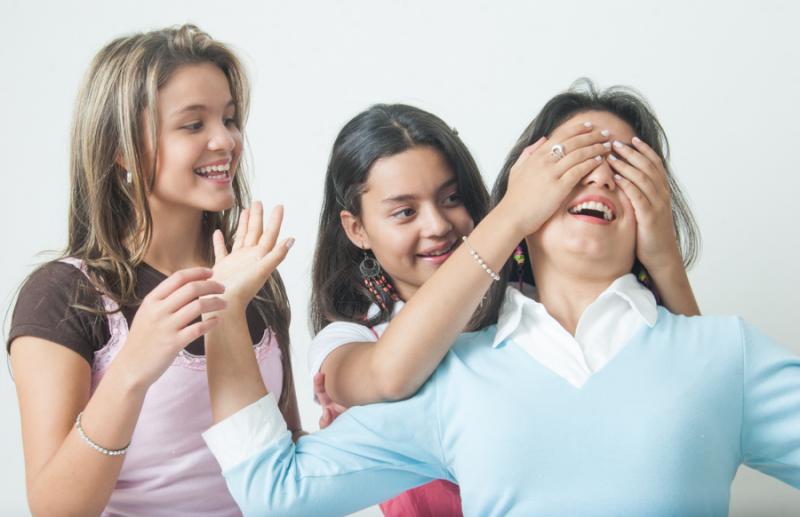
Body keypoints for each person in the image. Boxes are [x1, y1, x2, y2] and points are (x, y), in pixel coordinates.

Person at [202, 83, 796, 515]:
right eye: (570, 161)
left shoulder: (724, 354)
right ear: (521, 197)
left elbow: (693, 376)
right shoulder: (451, 375)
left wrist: (664, 256)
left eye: (626, 164)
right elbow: (277, 492)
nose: (598, 176)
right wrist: (224, 318)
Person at [307, 103, 701, 515]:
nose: (438, 225)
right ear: (357, 229)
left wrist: (664, 258)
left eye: (452, 197)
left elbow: (701, 395)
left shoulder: (535, 310)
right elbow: (390, 376)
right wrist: (513, 214)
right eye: (405, 212)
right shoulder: (349, 342)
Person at [7, 24, 302, 516]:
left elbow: (284, 461)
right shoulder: (64, 295)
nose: (225, 140)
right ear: (121, 147)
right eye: (193, 125)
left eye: (229, 119)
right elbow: (55, 508)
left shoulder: (254, 279)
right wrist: (132, 369)